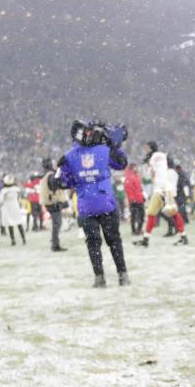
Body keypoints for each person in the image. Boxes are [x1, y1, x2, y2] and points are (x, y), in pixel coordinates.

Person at [57, 120, 130, 287]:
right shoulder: (103, 150)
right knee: (114, 241)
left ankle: (99, 277)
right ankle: (122, 274)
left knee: (93, 243)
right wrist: (114, 146)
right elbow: (121, 163)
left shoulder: (70, 155)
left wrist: (60, 171)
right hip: (106, 203)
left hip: (86, 206)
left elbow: (63, 182)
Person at [134, 142, 188, 247]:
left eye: (146, 148)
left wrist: (149, 172)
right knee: (169, 214)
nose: (145, 150)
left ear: (150, 148)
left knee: (155, 214)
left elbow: (151, 174)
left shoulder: (154, 157)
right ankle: (183, 237)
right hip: (165, 188)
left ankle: (146, 240)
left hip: (160, 189)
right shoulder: (162, 156)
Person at [39, 157, 70, 252]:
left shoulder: (47, 175)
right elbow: (56, 187)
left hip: (50, 202)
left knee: (57, 223)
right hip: (53, 202)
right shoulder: (51, 175)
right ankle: (55, 244)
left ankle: (54, 241)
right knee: (57, 223)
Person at [0, 174, 26, 246]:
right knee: (19, 223)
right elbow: (19, 198)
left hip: (7, 208)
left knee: (10, 224)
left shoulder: (4, 190)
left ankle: (13, 240)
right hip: (16, 207)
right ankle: (23, 239)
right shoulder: (17, 189)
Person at [124, 163, 145, 235]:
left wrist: (143, 195)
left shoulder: (135, 176)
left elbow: (139, 188)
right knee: (136, 215)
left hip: (139, 198)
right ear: (132, 168)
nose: (137, 169)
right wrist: (132, 199)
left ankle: (137, 230)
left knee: (138, 215)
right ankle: (135, 230)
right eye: (135, 167)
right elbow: (128, 189)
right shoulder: (130, 177)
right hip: (135, 200)